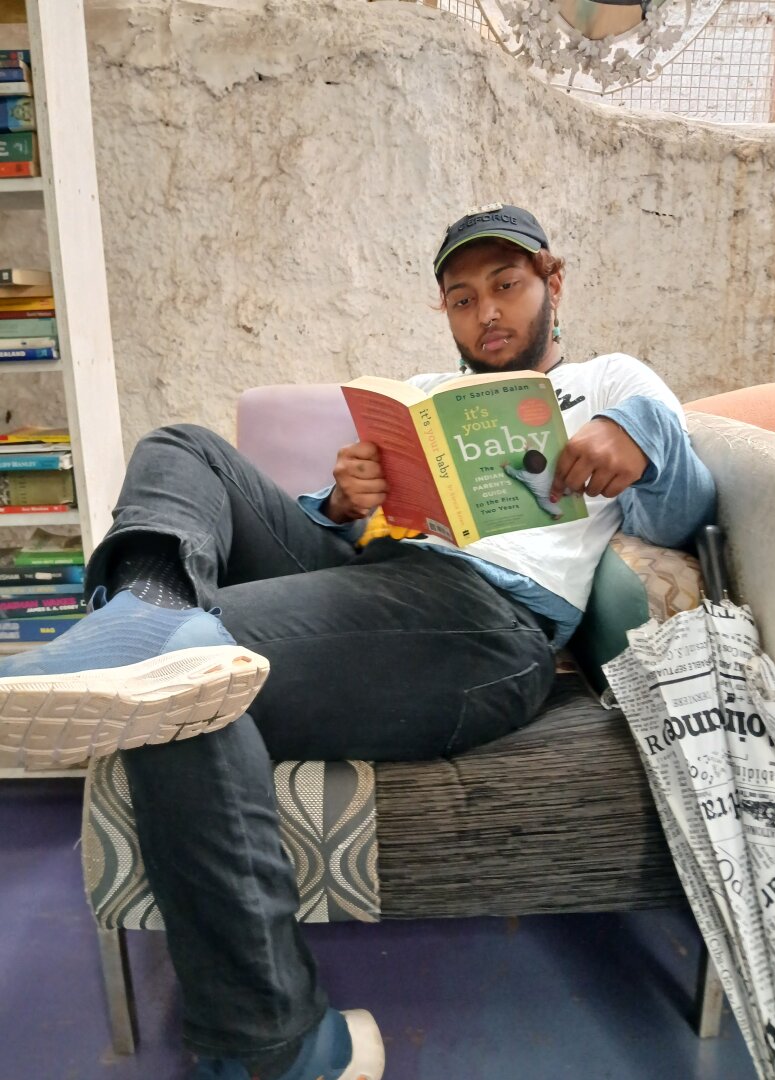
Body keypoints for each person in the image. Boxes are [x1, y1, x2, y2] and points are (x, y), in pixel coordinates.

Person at [0, 203, 716, 1080]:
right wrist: (340, 505)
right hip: (387, 573)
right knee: (183, 446)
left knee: (187, 674)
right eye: (462, 298)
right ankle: (148, 604)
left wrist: (641, 439)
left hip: (491, 625)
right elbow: (351, 546)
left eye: (507, 286)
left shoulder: (614, 381)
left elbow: (685, 512)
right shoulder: (424, 400)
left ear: (551, 284)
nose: (487, 312)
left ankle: (270, 1041)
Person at [500, 450, 563, 518]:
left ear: (524, 465)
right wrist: (529, 448)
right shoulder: (544, 466)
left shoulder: (524, 475)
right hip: (554, 486)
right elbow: (537, 458)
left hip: (543, 496)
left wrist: (506, 467)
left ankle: (557, 512)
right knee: (562, 485)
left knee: (543, 504)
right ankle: (567, 491)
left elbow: (513, 473)